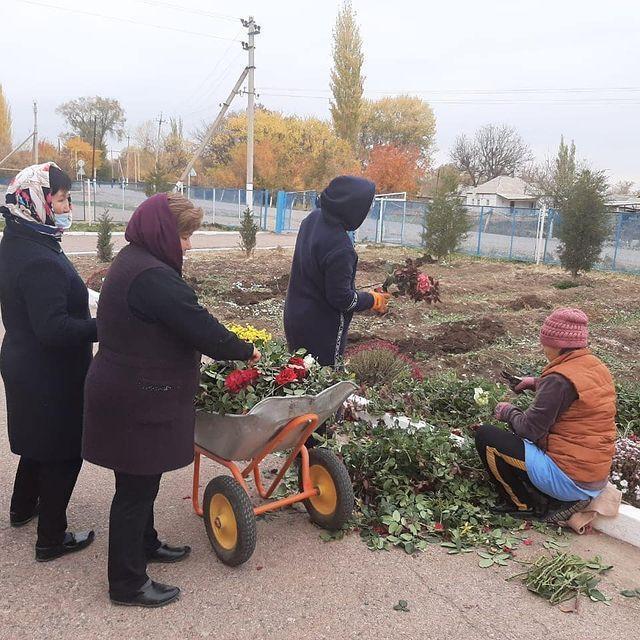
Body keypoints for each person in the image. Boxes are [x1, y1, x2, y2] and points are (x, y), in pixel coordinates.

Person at [82, 192, 260, 608]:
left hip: (134, 390)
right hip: (137, 397)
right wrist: (242, 348)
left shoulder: (135, 260)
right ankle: (126, 584)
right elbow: (198, 324)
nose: (188, 245)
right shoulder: (151, 276)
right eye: (185, 235)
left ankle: (145, 544)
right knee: (134, 489)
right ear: (164, 232)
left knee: (142, 477)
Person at [0, 162, 97, 561]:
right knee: (64, 449)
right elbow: (53, 329)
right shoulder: (39, 257)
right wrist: (101, 326)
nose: (66, 206)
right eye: (61, 199)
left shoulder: (20, 240)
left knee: (38, 439)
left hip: (26, 361)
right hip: (49, 370)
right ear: (37, 200)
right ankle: (51, 538)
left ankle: (23, 507)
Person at [474, 308, 617, 524]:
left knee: (487, 437)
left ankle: (522, 504)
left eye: (545, 343)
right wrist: (535, 383)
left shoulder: (559, 379)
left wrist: (507, 412)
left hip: (570, 480)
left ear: (557, 344)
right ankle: (552, 494)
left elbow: (528, 430)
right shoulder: (594, 366)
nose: (543, 349)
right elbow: (571, 394)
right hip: (592, 476)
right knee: (516, 443)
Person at [284, 175, 390, 368]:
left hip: (296, 316)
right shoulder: (341, 248)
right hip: (321, 330)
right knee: (322, 382)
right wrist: (373, 300)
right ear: (353, 209)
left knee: (299, 374)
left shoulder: (313, 219)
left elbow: (320, 274)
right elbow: (342, 299)